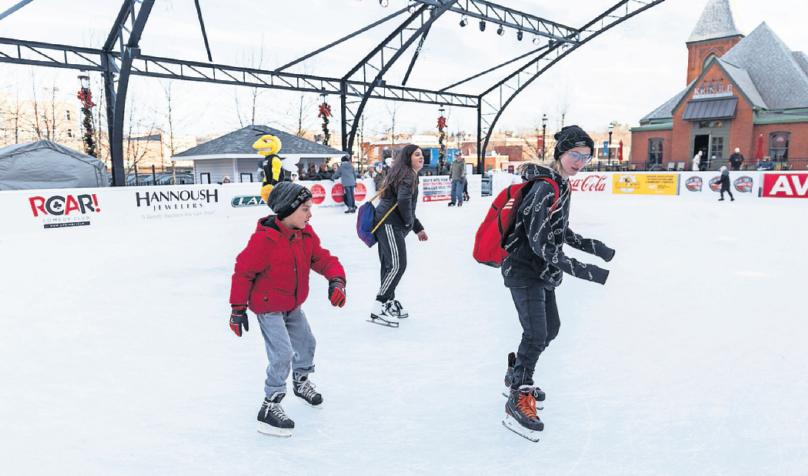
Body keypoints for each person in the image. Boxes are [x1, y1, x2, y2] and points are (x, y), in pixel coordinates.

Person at [500, 125, 615, 439]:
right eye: (574, 154)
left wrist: (596, 248)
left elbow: (559, 232)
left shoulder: (561, 185)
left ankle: (517, 372)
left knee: (550, 329)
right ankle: (518, 395)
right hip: (523, 269)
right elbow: (541, 245)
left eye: (586, 157)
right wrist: (588, 271)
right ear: (561, 153)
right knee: (536, 333)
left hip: (542, 271)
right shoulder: (544, 188)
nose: (580, 162)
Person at [228, 182, 347, 437]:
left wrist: (336, 279)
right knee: (282, 354)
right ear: (288, 210)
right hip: (268, 307)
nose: (310, 214)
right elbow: (243, 272)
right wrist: (238, 309)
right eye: (305, 209)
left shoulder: (305, 234)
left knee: (307, 343)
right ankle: (270, 405)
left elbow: (322, 258)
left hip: (292, 304)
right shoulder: (265, 240)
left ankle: (301, 381)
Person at [369, 144, 429, 326]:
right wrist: (409, 223)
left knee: (389, 265)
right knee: (397, 265)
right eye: (417, 154)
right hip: (389, 224)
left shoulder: (404, 173)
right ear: (407, 157)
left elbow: (405, 204)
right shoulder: (408, 175)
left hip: (386, 222)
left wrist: (417, 227)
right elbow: (403, 201)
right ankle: (378, 307)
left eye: (421, 155)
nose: (421, 157)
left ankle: (388, 302)